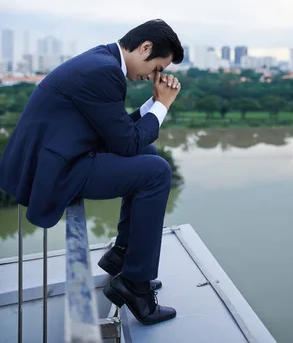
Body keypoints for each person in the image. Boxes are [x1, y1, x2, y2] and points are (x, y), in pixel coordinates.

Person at [0, 19, 184, 326]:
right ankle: (135, 286)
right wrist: (163, 106)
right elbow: (126, 144)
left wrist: (154, 101)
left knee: (149, 156)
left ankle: (123, 256)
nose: (154, 76)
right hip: (56, 169)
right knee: (157, 171)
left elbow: (117, 130)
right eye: (156, 68)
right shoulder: (104, 71)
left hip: (61, 156)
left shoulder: (102, 60)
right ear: (145, 48)